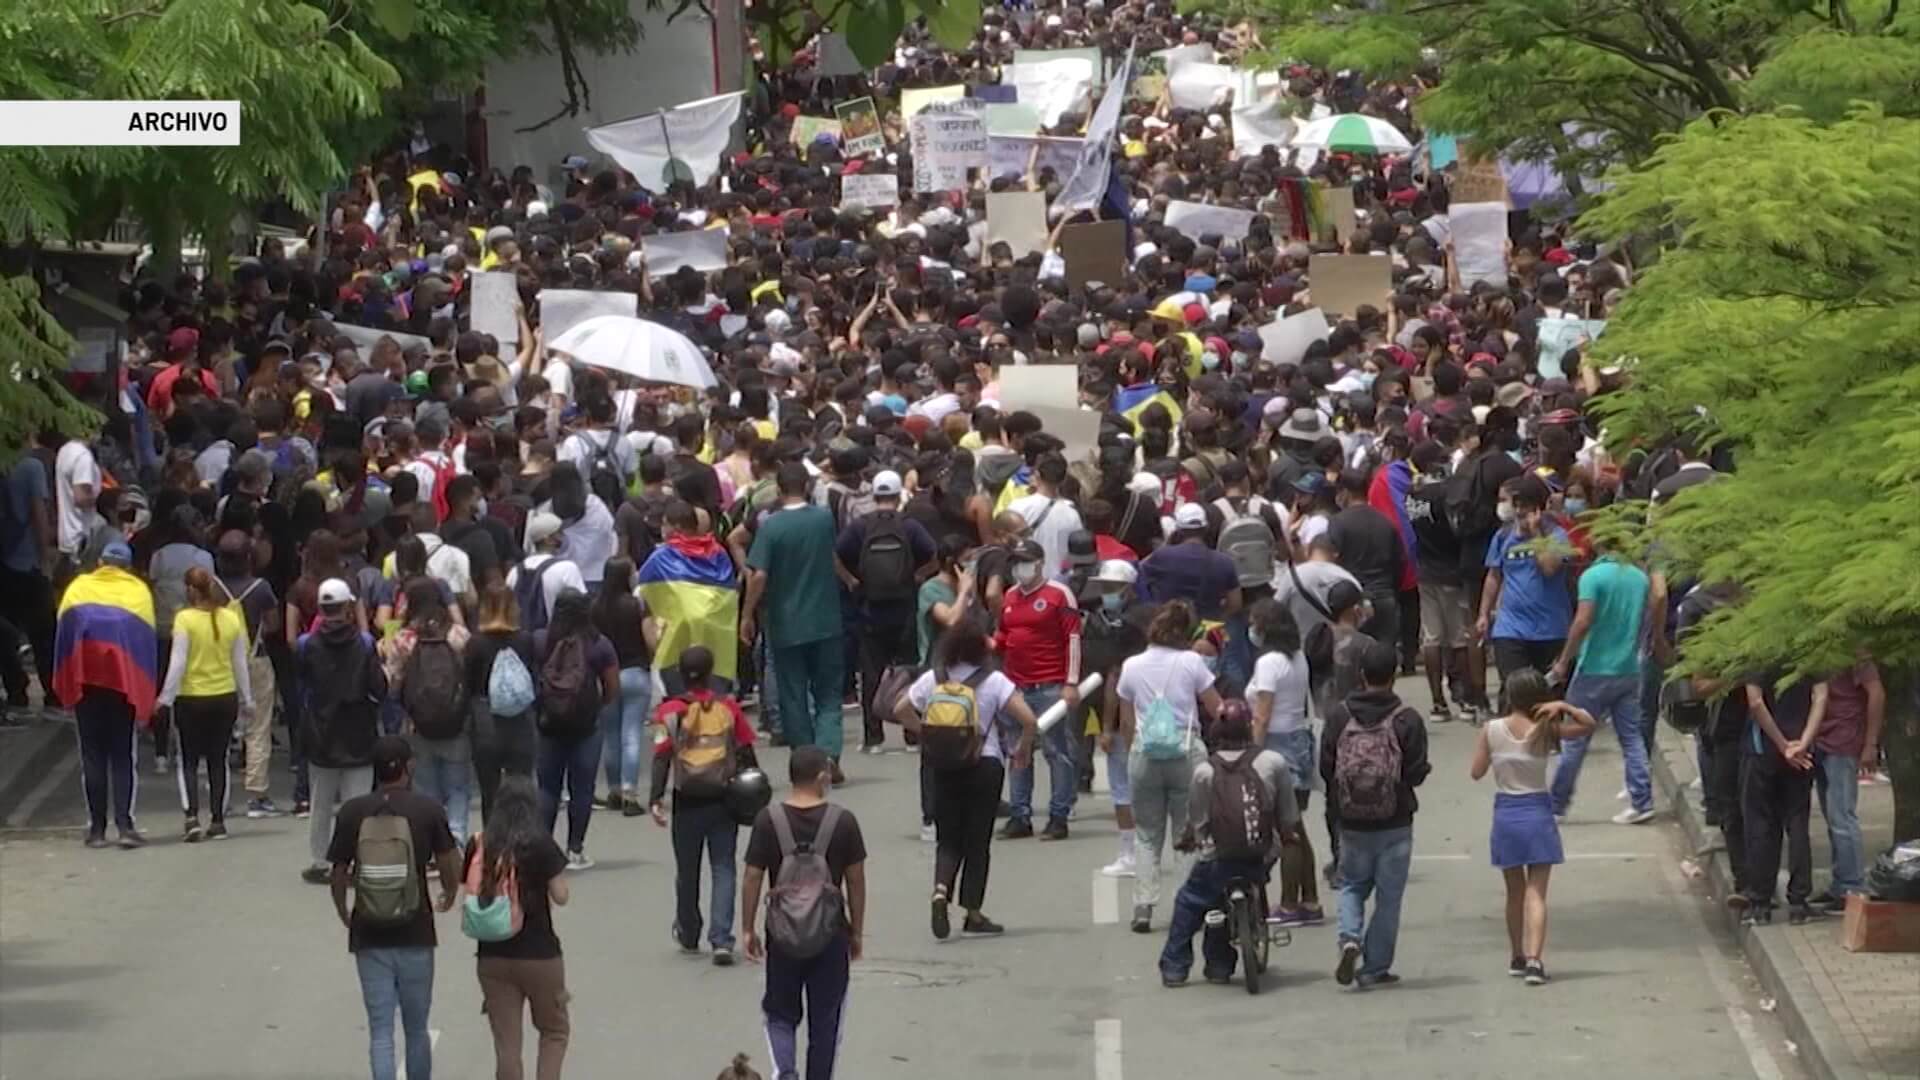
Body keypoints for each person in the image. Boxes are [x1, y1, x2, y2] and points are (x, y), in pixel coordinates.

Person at [326, 735, 459, 1080]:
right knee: (417, 1029)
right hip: (416, 930)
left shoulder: (353, 812)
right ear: (409, 766)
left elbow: (339, 871)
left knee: (381, 1031)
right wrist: (449, 892)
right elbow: (448, 862)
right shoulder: (427, 809)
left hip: (369, 932)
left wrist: (344, 908)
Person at [897, 617, 1038, 938]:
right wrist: (1022, 749)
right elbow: (1028, 720)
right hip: (984, 764)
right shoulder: (994, 681)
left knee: (948, 838)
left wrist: (926, 734)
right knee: (977, 840)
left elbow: (900, 708)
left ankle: (940, 890)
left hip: (943, 765)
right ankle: (973, 912)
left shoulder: (935, 678)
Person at [741, 747, 868, 1080]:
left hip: (782, 935)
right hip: (830, 935)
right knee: (826, 1020)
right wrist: (856, 931)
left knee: (780, 1012)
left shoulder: (769, 820)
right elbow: (855, 880)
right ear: (822, 776)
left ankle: (785, 1071)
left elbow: (753, 875)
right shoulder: (843, 821)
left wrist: (748, 928)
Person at [1158, 699, 1301, 987]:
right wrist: (1287, 837)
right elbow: (1288, 814)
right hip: (1260, 854)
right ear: (1249, 726)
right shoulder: (1272, 762)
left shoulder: (1204, 771)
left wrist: (1189, 841)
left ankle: (1177, 966)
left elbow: (1198, 821)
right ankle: (1220, 962)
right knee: (1236, 884)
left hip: (1219, 857)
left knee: (1190, 901)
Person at [1469, 668, 1596, 985]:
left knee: (1514, 893)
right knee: (1536, 893)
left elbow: (1476, 772)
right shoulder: (1546, 729)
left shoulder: (1491, 729)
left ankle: (1516, 955)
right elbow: (1589, 725)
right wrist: (1564, 707)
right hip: (1538, 811)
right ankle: (1536, 961)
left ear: (1509, 696)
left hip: (1506, 814)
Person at [1319, 639, 1430, 989]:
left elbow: (1327, 767)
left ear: (1361, 674)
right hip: (1395, 820)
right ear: (1395, 675)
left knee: (1351, 884)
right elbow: (1415, 771)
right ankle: (1374, 967)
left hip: (1350, 821)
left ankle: (1349, 936)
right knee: (1389, 897)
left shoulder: (1339, 715)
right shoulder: (1407, 719)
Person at [1115, 600, 1225, 933]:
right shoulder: (1192, 662)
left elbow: (1126, 720)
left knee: (1147, 834)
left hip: (1146, 753)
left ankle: (1143, 906)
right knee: (1187, 832)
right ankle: (1186, 903)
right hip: (1185, 751)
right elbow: (1216, 706)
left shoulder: (1132, 666)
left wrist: (1135, 749)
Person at [650, 643, 760, 963]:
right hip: (723, 800)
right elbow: (745, 753)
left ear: (681, 675)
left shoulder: (669, 712)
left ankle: (688, 931)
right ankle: (722, 938)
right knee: (724, 867)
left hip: (686, 801)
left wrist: (655, 798)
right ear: (711, 673)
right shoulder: (729, 708)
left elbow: (660, 757)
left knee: (687, 870)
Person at [463, 775, 571, 1080]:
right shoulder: (539, 843)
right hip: (540, 954)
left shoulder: (480, 843)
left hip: (492, 956)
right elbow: (561, 896)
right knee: (554, 1030)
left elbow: (467, 887)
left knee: (507, 1044)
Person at [53, 541, 158, 848]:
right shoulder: (138, 592)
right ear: (127, 567)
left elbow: (63, 635)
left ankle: (97, 830)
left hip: (86, 683)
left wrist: (63, 680)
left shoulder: (78, 588)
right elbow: (145, 643)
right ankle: (125, 827)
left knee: (92, 756)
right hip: (123, 685)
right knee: (123, 755)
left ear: (99, 562)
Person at [744, 463, 846, 776]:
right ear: (806, 486)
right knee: (829, 692)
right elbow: (832, 555)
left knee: (793, 693)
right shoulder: (824, 519)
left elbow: (759, 574)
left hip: (786, 622)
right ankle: (829, 751)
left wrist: (747, 612)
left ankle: (805, 758)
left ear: (778, 489)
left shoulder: (771, 527)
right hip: (826, 617)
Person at [1546, 537, 1653, 825]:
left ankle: (1557, 804)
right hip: (1629, 667)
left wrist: (1563, 661)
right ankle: (1642, 801)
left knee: (1575, 740)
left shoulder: (1592, 577)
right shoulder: (1639, 578)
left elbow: (1582, 621)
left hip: (1593, 667)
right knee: (1631, 737)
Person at [835, 469, 935, 754]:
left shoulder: (860, 527)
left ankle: (873, 738)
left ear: (876, 495)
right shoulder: (910, 526)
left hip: (870, 608)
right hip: (904, 607)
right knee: (907, 670)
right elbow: (933, 555)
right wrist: (917, 576)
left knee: (871, 672)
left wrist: (852, 581)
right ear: (896, 495)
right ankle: (912, 736)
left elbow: (837, 555)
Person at [993, 538, 1083, 841]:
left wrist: (1070, 682)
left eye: (1026, 561)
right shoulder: (1010, 596)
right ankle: (1020, 815)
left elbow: (1073, 639)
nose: (1021, 568)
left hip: (1051, 686)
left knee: (1058, 751)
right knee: (1018, 750)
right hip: (1016, 687)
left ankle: (1059, 815)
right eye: (1016, 562)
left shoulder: (1059, 595)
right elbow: (1003, 637)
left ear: (1040, 562)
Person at [156, 566, 255, 842]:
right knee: (218, 759)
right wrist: (247, 698)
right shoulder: (230, 619)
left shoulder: (184, 620)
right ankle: (218, 820)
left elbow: (177, 663)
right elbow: (239, 664)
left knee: (188, 759)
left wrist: (165, 698)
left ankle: (191, 817)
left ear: (189, 589)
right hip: (224, 697)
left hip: (191, 698)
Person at [298, 578, 387, 884]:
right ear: (348, 606)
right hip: (358, 729)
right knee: (358, 802)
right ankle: (357, 860)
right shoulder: (364, 643)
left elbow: (302, 684)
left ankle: (320, 861)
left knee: (320, 800)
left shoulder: (306, 644)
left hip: (321, 729)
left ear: (321, 608)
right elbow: (379, 687)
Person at [1246, 598, 1322, 927]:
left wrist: (1251, 756)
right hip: (1298, 741)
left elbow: (1262, 715)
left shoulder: (1269, 664)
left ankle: (1290, 903)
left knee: (1286, 830)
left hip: (1276, 745)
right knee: (1297, 828)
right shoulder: (1297, 658)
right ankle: (1310, 899)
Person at [533, 591, 619, 870]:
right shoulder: (599, 643)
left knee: (547, 788)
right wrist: (597, 704)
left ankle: (544, 849)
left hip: (548, 724)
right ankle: (575, 849)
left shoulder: (540, 640)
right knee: (582, 789)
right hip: (586, 726)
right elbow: (612, 687)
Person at [386, 579, 474, 844]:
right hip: (455, 723)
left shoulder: (403, 639)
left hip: (418, 724)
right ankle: (457, 837)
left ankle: (433, 842)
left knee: (426, 787)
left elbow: (393, 684)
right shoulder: (458, 635)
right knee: (458, 787)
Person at [1741, 674, 1826, 925]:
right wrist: (1803, 744)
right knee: (1798, 823)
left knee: (1761, 826)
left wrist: (1782, 745)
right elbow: (1821, 697)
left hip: (1762, 750)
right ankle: (1798, 901)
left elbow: (1755, 702)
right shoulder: (1809, 649)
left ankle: (1760, 902)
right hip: (1801, 751)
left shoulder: (1755, 648)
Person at [1082, 559, 1147, 878]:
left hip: (1127, 719)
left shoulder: (1129, 628)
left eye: (1112, 588)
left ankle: (1129, 853)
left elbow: (1114, 680)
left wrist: (1108, 727)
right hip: (1138, 715)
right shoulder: (1105, 622)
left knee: (1123, 787)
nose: (1107, 593)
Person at [1476, 476, 1572, 690]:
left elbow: (1549, 568)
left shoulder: (1557, 536)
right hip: (1510, 627)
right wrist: (1484, 613)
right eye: (1515, 505)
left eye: (1524, 506)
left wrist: (1536, 534)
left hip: (1550, 628)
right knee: (1513, 690)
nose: (1518, 511)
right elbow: (1494, 576)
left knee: (1547, 695)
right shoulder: (1503, 536)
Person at [213, 530, 283, 818]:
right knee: (258, 729)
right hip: (255, 659)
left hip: (219, 662)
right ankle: (256, 795)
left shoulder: (213, 587)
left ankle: (222, 796)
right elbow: (273, 625)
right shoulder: (261, 588)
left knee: (220, 730)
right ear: (248, 558)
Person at [1403, 440, 1473, 723]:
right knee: (1458, 637)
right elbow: (1454, 530)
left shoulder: (1412, 493)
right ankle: (1466, 701)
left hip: (1425, 569)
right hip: (1449, 570)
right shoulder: (1445, 494)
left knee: (1431, 637)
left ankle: (1438, 703)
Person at [1811, 657, 1883, 909]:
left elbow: (1876, 693)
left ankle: (1852, 885)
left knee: (1842, 816)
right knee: (1833, 818)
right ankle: (1840, 882)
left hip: (1844, 737)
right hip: (1819, 738)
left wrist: (1870, 743)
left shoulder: (1854, 653)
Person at [466, 584, 540, 823]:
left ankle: (493, 847)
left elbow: (468, 684)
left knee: (490, 793)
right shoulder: (525, 640)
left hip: (486, 720)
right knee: (522, 790)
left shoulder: (475, 643)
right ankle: (522, 843)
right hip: (520, 720)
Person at [591, 556, 652, 814]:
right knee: (632, 733)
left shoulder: (594, 607)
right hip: (635, 671)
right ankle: (630, 791)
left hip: (606, 675)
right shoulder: (637, 605)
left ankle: (614, 789)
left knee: (611, 735)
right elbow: (651, 640)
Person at [1327, 468, 1405, 648]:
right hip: (1385, 597)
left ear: (1345, 492)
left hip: (1353, 602)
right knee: (1384, 658)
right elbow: (1399, 563)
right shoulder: (1386, 522)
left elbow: (1332, 563)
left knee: (1355, 656)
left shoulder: (1338, 523)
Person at [506, 511, 586, 631]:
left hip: (521, 640)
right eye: (559, 533)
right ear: (548, 539)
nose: (563, 536)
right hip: (554, 641)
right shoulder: (567, 569)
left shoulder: (514, 572)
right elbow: (582, 607)